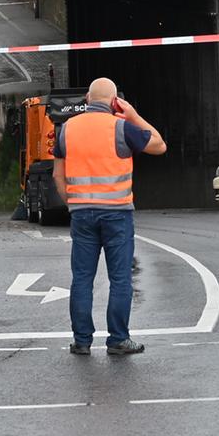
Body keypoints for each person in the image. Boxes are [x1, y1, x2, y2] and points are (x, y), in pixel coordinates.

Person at [53, 78, 167, 356]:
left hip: (82, 216)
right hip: (117, 215)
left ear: (88, 100)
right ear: (115, 102)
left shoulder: (67, 129)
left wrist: (73, 204)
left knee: (82, 278)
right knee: (120, 279)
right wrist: (134, 115)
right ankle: (117, 339)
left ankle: (81, 341)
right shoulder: (122, 127)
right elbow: (160, 145)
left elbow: (58, 174)